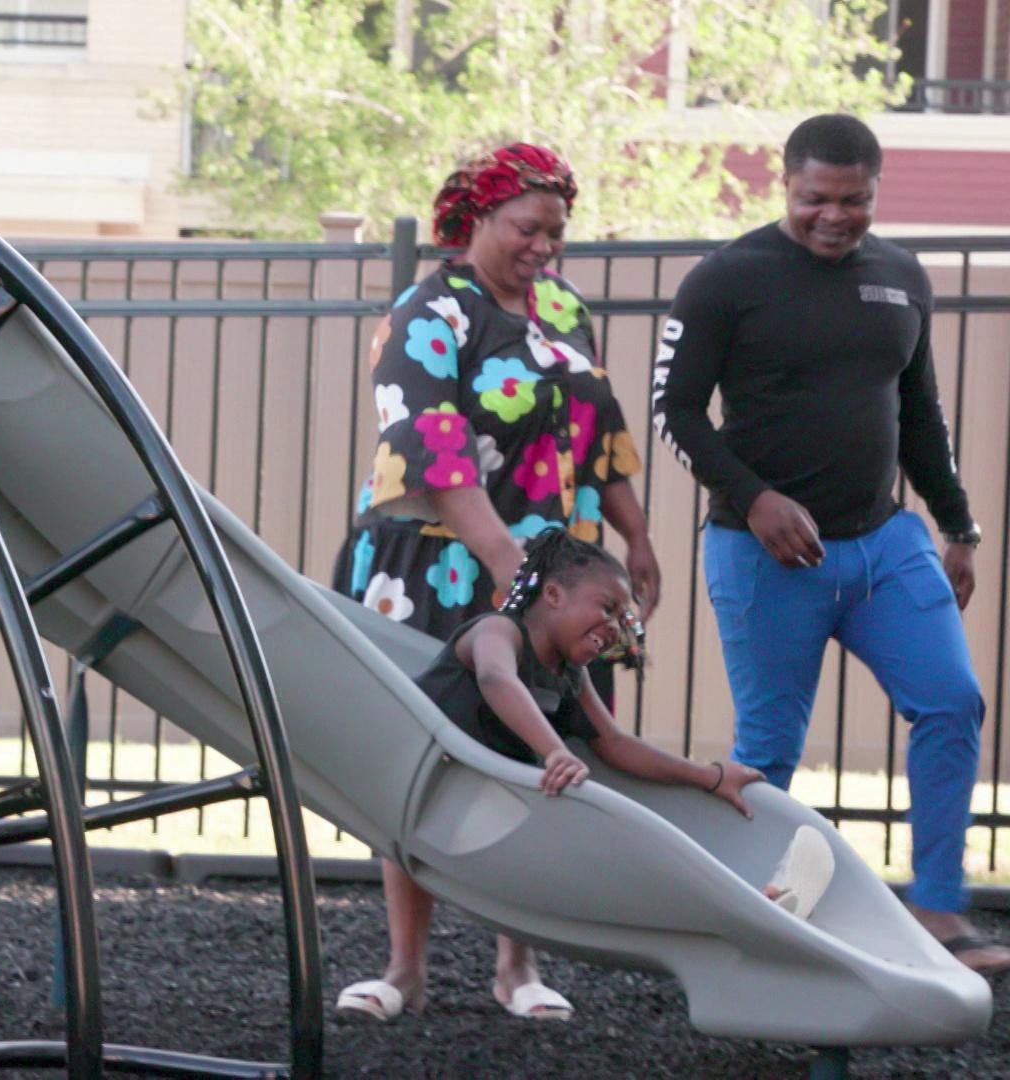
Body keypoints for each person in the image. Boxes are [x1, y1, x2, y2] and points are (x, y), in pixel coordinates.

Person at [654, 113, 1008, 975]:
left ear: (877, 191)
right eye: (817, 198)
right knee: (769, 750)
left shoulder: (901, 276)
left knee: (952, 702)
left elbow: (918, 413)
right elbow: (677, 413)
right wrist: (755, 496)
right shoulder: (725, 279)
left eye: (855, 200)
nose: (835, 216)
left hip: (884, 542)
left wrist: (956, 524)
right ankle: (752, 923)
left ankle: (933, 910)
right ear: (787, 185)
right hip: (764, 550)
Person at [332, 143, 661, 1020]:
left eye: (557, 232)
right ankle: (405, 968)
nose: (544, 248)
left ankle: (518, 966)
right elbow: (428, 447)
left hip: (552, 569)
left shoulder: (561, 308)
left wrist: (635, 536)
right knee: (421, 749)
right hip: (441, 565)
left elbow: (601, 431)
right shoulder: (427, 312)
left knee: (543, 747)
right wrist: (508, 564)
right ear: (475, 218)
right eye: (528, 229)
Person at [336, 529, 831, 1022]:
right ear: (553, 595)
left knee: (542, 826)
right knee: (405, 840)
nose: (616, 627)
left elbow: (613, 743)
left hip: (499, 805)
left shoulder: (570, 675)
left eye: (623, 617)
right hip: (423, 782)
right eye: (607, 607)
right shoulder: (497, 632)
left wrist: (707, 775)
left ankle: (519, 970)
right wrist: (553, 751)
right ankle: (405, 972)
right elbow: (495, 678)